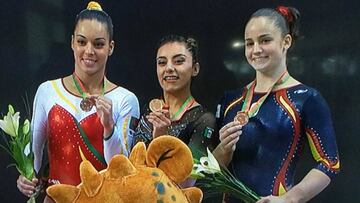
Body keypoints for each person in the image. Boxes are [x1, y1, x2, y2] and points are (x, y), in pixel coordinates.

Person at [213, 6, 340, 203]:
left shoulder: (307, 98)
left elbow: (329, 163)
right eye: (249, 43)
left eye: (265, 40)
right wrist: (223, 150)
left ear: (286, 41)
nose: (256, 50)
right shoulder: (231, 100)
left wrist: (289, 199)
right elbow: (210, 171)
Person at [16, 1, 139, 200]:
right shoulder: (48, 91)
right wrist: (26, 176)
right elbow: (34, 151)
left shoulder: (125, 99)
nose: (89, 51)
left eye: (98, 44)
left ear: (111, 47)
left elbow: (122, 168)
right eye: (82, 42)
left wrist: (108, 127)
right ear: (72, 42)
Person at [132, 34, 216, 161]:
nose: (169, 68)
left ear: (195, 69)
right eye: (162, 62)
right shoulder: (148, 110)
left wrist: (160, 140)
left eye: (178, 61)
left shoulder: (204, 120)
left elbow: (189, 176)